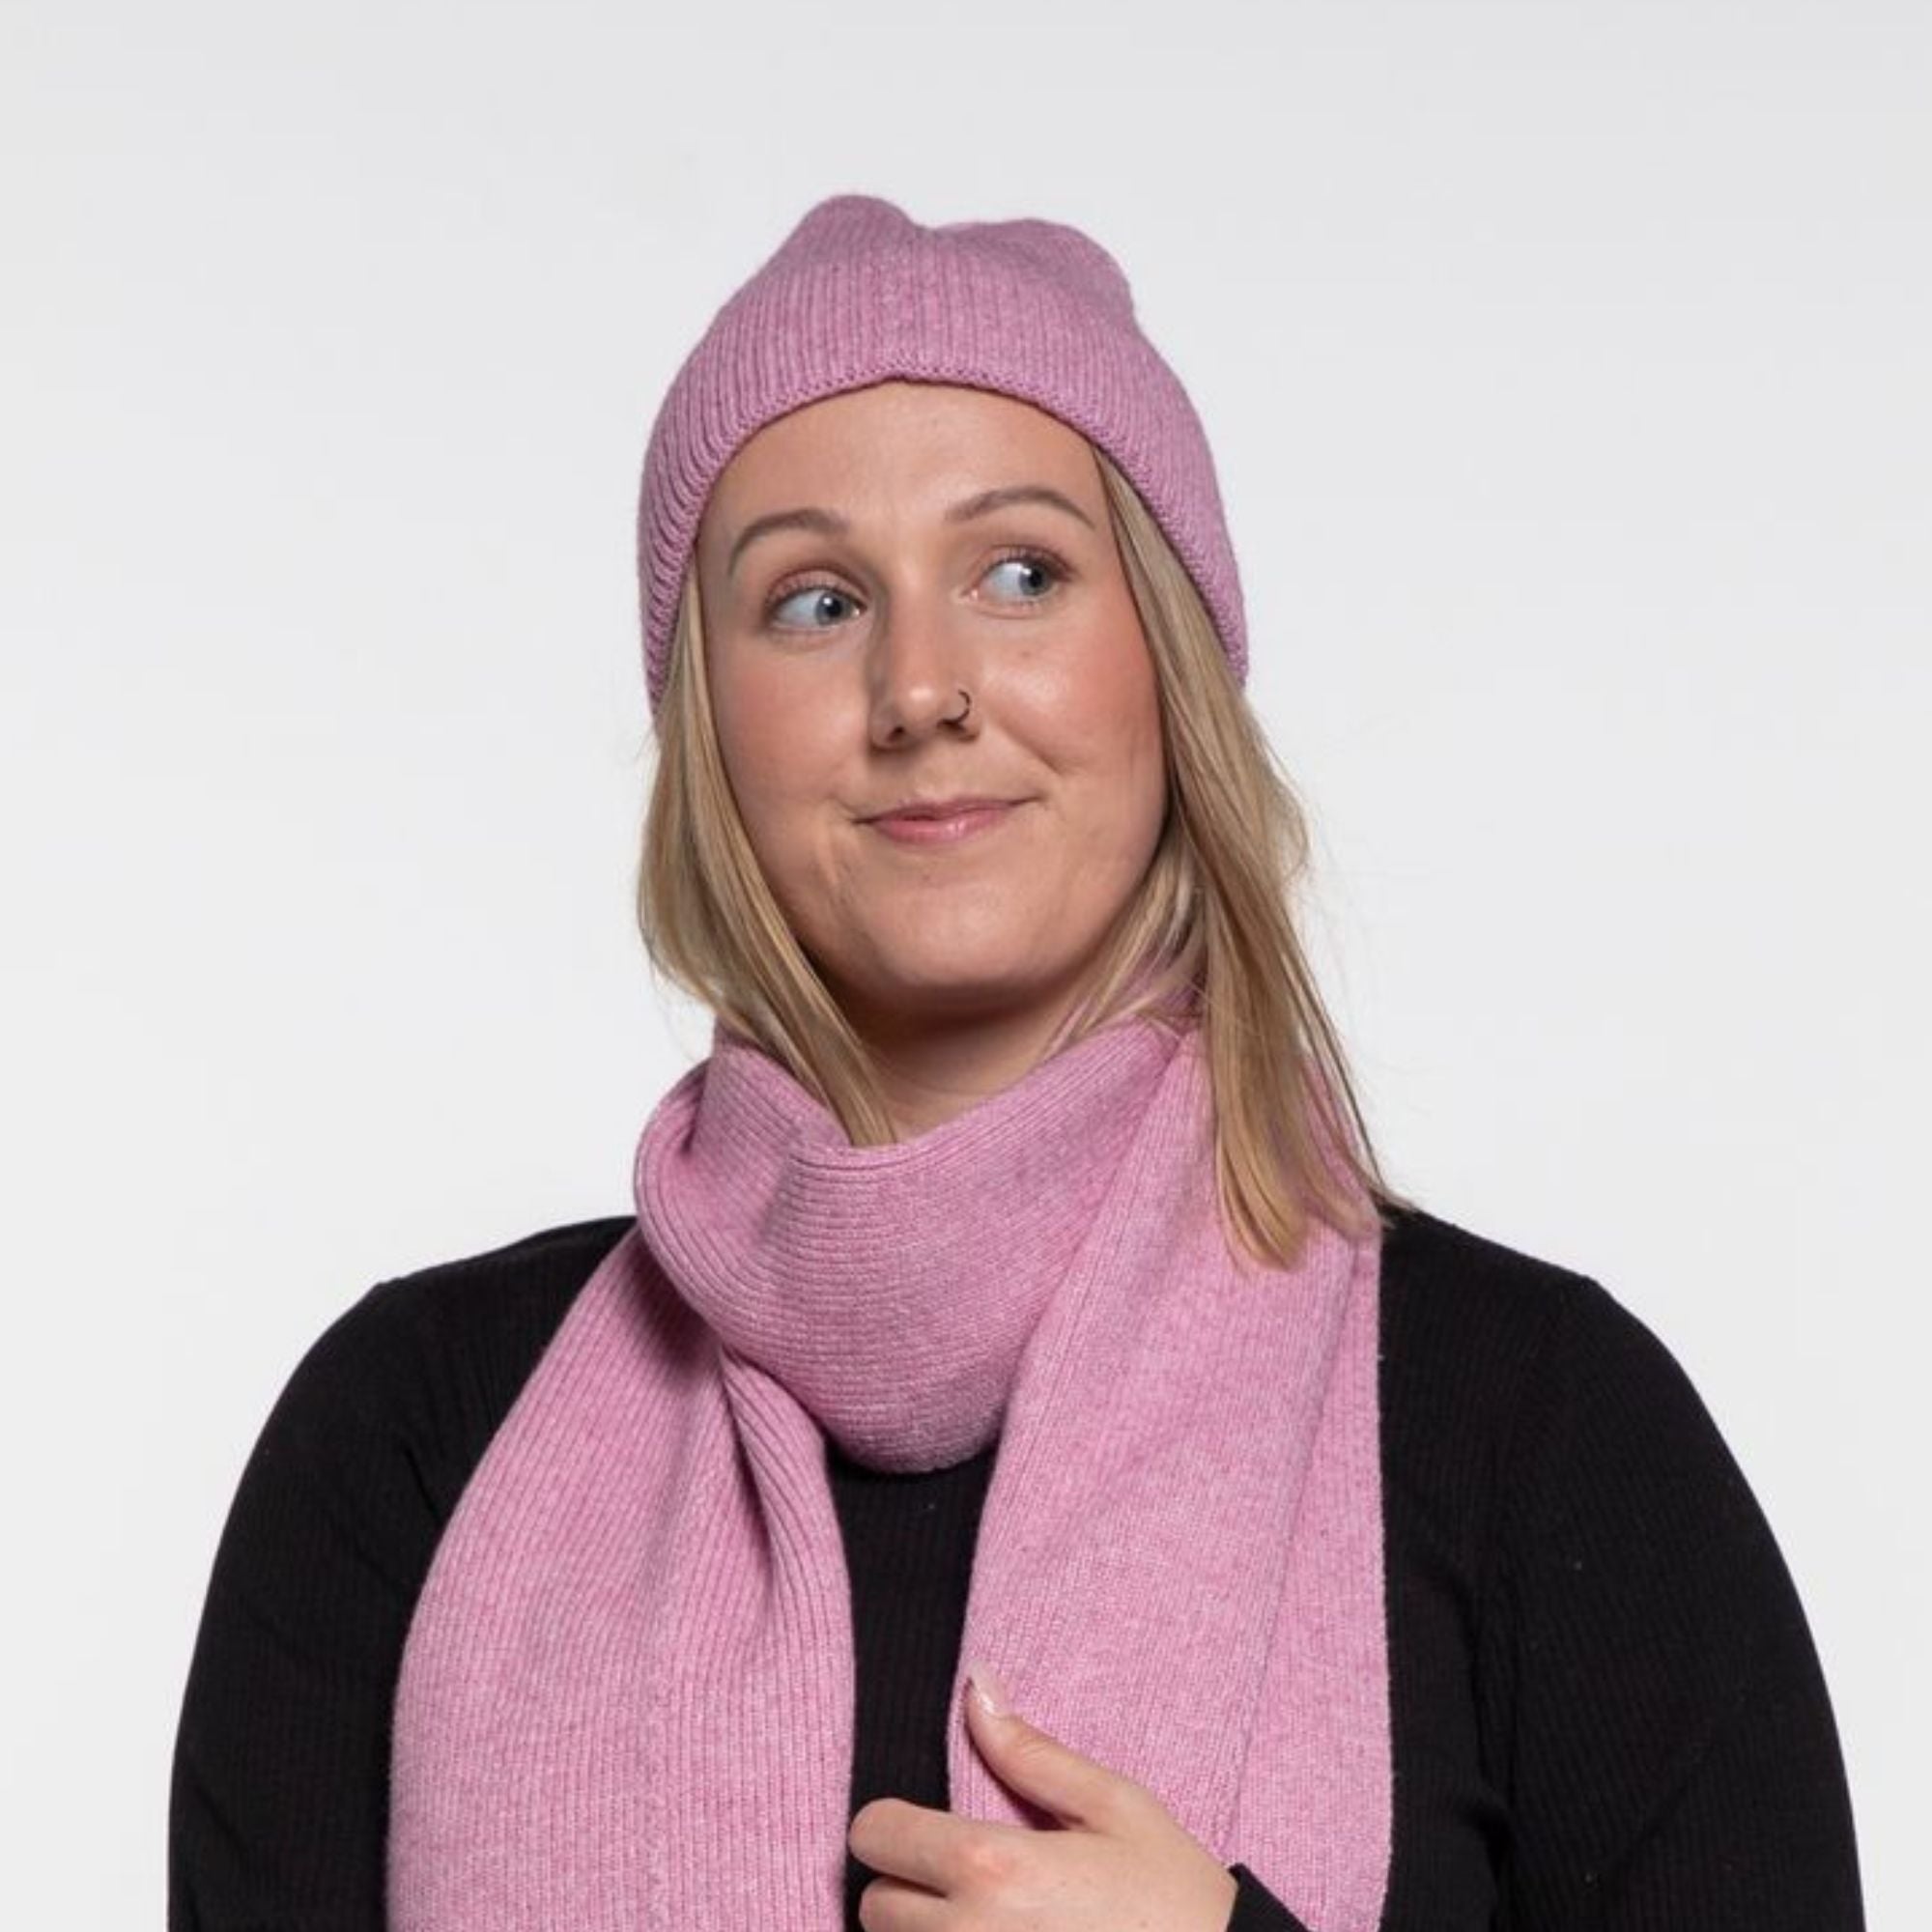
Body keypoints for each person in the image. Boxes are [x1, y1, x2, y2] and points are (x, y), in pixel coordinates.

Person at [167, 194, 1865, 1932]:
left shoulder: (1543, 1426)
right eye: (815, 601)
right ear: (705, 734)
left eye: (1021, 574)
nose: (922, 688)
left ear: (1168, 664)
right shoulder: (409, 1439)